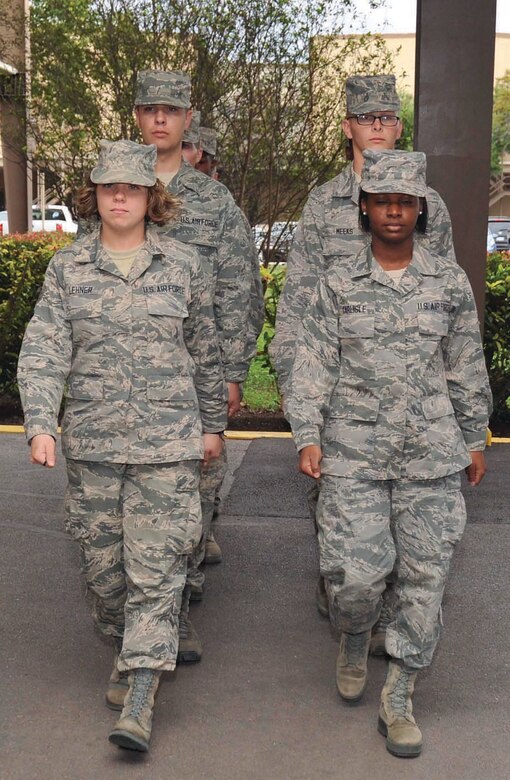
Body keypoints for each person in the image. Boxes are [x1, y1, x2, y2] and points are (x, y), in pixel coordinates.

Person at [17, 139, 227, 753]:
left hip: (168, 447)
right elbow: (45, 347)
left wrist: (213, 426)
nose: (119, 197)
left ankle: (140, 693)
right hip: (96, 447)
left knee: (157, 571)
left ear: (149, 197)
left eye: (131, 188)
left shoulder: (185, 265)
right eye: (109, 187)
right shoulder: (69, 268)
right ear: (94, 196)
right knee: (105, 574)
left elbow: (206, 352)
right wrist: (39, 423)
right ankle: (124, 646)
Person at [286, 149, 491, 758]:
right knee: (355, 578)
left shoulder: (448, 283)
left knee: (425, 580)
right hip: (353, 456)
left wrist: (475, 438)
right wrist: (308, 435)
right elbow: (312, 366)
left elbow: (464, 366)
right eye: (383, 201)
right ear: (366, 208)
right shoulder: (338, 284)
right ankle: (353, 636)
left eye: (405, 201)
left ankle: (399, 694)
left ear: (420, 208)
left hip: (430, 455)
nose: (394, 211)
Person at [270, 74, 457, 647]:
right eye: (366, 118)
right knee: (338, 509)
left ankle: (391, 620)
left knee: (412, 521)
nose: (377, 127)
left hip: (407, 399)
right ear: (348, 126)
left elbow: (446, 301)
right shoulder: (324, 202)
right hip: (338, 391)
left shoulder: (430, 204)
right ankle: (347, 593)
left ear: (399, 127)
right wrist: (294, 381)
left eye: (387, 118)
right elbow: (299, 295)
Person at [134, 70, 264, 662]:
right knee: (128, 510)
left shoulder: (214, 202)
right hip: (128, 378)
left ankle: (177, 609)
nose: (161, 119)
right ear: (136, 117)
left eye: (172, 110)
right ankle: (147, 614)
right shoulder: (116, 189)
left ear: (189, 120)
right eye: (150, 108)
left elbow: (240, 287)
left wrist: (234, 368)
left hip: (196, 377)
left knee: (190, 501)